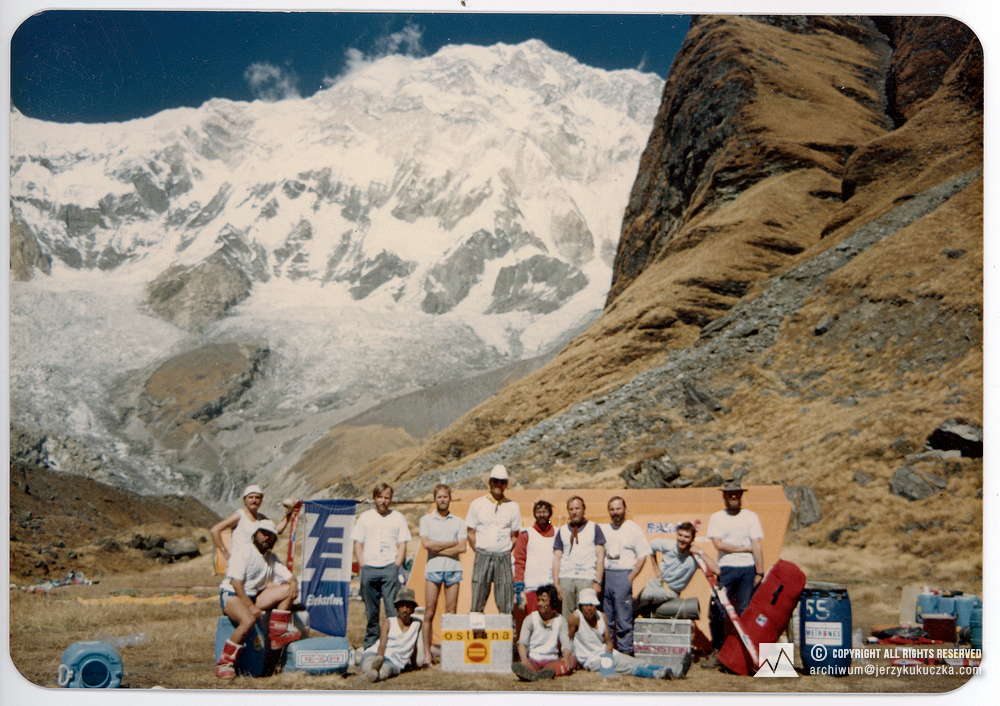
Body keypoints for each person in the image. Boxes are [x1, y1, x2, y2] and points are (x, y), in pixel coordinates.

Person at [215, 519, 301, 679]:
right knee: (247, 621)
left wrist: (294, 583)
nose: (267, 538)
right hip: (232, 595)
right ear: (256, 535)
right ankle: (225, 663)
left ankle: (277, 634)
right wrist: (251, 607)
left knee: (288, 589)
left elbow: (289, 577)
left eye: (271, 536)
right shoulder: (244, 552)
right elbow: (236, 583)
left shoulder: (271, 557)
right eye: (264, 533)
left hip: (253, 597)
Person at [702, 479, 764, 669]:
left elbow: (756, 545)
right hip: (726, 569)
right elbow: (719, 544)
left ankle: (742, 654)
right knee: (718, 611)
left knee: (744, 610)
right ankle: (718, 651)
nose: (734, 496)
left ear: (741, 495)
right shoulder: (717, 517)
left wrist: (760, 572)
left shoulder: (751, 517)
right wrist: (743, 548)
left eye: (737, 493)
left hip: (748, 570)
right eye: (730, 494)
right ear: (724, 496)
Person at [568, 588, 690, 679]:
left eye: (592, 605)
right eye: (586, 605)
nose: (589, 608)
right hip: (591, 660)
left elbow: (608, 641)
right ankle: (657, 674)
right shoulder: (575, 618)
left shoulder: (601, 616)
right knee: (626, 667)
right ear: (580, 606)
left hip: (606, 653)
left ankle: (674, 671)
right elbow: (569, 640)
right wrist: (573, 661)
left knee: (635, 661)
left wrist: (608, 655)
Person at [352, 482, 412, 650]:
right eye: (380, 497)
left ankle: (393, 644)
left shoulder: (398, 517)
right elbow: (358, 543)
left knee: (392, 610)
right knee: (371, 612)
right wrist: (362, 565)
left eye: (387, 497)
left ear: (391, 499)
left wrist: (396, 564)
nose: (383, 501)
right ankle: (371, 644)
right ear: (374, 498)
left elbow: (402, 543)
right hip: (369, 568)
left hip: (389, 568)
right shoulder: (365, 517)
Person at [418, 483, 466, 664]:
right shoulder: (426, 520)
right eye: (439, 497)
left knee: (451, 612)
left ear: (450, 498)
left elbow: (462, 546)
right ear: (435, 499)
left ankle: (450, 654)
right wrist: (450, 543)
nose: (442, 500)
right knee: (429, 612)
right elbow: (427, 544)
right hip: (433, 570)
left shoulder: (459, 521)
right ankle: (427, 654)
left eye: (445, 496)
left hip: (453, 570)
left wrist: (439, 547)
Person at [465, 464, 521, 613]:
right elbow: (470, 531)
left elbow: (515, 534)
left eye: (502, 482)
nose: (498, 485)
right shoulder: (477, 504)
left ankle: (506, 632)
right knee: (478, 595)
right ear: (490, 482)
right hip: (482, 554)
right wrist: (478, 549)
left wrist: (506, 550)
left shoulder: (513, 506)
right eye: (495, 481)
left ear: (506, 485)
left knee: (505, 597)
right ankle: (476, 630)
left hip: (503, 556)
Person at [600, 496, 651, 655]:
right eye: (612, 509)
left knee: (624, 618)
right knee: (607, 618)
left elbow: (643, 554)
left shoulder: (632, 528)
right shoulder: (604, 529)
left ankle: (625, 651)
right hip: (606, 576)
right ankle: (609, 652)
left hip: (624, 575)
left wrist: (631, 576)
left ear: (624, 509)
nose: (615, 512)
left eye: (618, 508)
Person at [638, 521, 719, 617]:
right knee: (639, 599)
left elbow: (717, 570)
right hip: (658, 583)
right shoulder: (668, 545)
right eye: (680, 535)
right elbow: (651, 546)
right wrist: (656, 568)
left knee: (645, 596)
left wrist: (701, 552)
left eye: (686, 537)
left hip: (671, 592)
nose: (682, 539)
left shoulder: (694, 556)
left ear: (692, 539)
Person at [211, 484, 293, 565]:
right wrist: (224, 553)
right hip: (241, 564)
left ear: (261, 500)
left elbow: (277, 530)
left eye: (257, 497)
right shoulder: (239, 515)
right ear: (244, 500)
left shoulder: (262, 518)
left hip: (257, 564)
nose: (254, 500)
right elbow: (215, 530)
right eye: (251, 497)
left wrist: (289, 514)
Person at [552, 496, 605, 617]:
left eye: (577, 508)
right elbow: (556, 558)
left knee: (586, 617)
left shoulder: (594, 528)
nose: (574, 512)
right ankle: (567, 637)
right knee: (567, 616)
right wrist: (556, 584)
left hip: (586, 578)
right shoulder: (562, 530)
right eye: (571, 509)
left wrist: (598, 581)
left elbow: (600, 556)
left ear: (584, 509)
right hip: (566, 578)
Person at [513, 584, 575, 681]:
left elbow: (566, 644)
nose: (540, 604)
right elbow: (522, 643)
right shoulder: (530, 619)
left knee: (570, 662)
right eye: (538, 600)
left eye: (544, 600)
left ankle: (537, 674)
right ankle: (534, 672)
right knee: (524, 664)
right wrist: (524, 660)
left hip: (552, 661)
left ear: (552, 602)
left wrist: (566, 656)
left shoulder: (560, 620)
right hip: (533, 659)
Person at [360, 587, 424, 682]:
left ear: (413, 609)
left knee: (387, 669)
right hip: (376, 654)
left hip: (394, 661)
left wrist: (414, 664)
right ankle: (373, 669)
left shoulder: (417, 624)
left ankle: (374, 675)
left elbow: (413, 646)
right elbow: (382, 643)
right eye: (402, 606)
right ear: (397, 608)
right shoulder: (389, 622)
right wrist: (380, 657)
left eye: (408, 606)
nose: (405, 610)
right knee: (369, 661)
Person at [513, 499, 556, 614]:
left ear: (550, 514)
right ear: (534, 514)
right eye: (538, 512)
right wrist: (519, 588)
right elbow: (519, 562)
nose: (542, 514)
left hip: (551, 588)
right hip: (531, 588)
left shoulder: (558, 534)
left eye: (545, 511)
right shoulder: (525, 534)